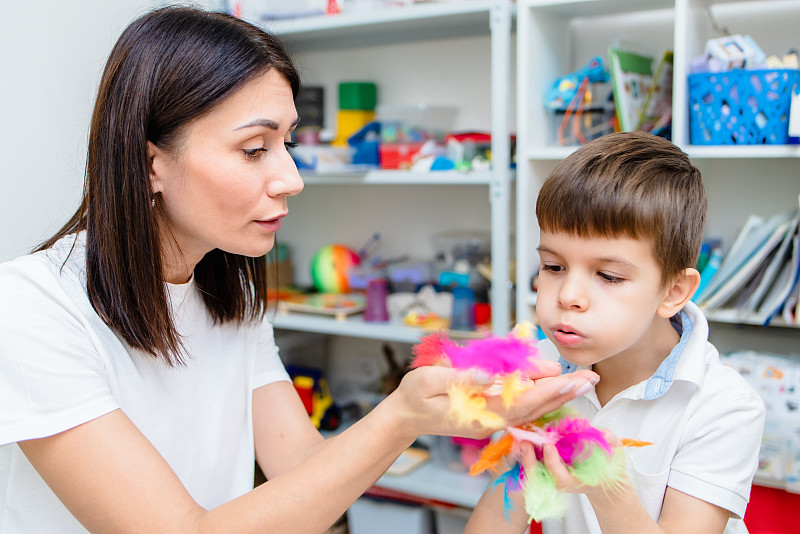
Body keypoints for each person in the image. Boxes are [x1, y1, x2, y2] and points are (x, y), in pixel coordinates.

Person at [0, 6, 600, 533]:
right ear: (150, 162)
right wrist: (399, 416)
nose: (292, 178)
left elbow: (306, 477)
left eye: (288, 142)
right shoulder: (33, 308)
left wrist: (442, 410)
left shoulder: (226, 288)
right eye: (254, 149)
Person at [466, 132, 765, 534]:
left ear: (673, 292)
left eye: (608, 275)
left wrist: (606, 487)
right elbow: (499, 515)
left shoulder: (724, 407)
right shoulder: (538, 374)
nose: (568, 296)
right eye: (553, 267)